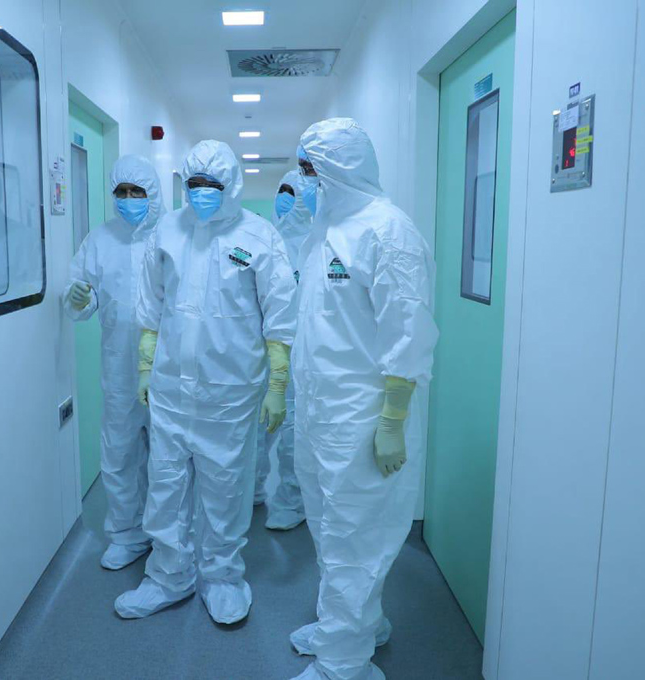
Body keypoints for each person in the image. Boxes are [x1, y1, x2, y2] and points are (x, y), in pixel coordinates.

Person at [114, 140, 296, 624]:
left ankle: (222, 578)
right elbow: (151, 308)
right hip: (172, 389)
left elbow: (280, 318)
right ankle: (167, 577)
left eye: (212, 184)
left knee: (225, 489)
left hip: (230, 393)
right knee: (165, 485)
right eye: (195, 183)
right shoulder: (167, 231)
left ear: (231, 185)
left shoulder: (259, 236)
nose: (202, 192)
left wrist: (278, 386)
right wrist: (146, 368)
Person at [289, 119, 439, 680]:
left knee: (354, 536)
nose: (304, 181)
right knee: (330, 527)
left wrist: (392, 419)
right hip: (322, 412)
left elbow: (408, 332)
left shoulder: (387, 231)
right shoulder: (326, 230)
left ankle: (343, 664)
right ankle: (354, 625)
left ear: (339, 168)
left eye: (311, 170)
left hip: (362, 416)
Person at [62, 155, 164, 571]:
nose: (128, 199)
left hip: (169, 366)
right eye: (121, 192)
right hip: (120, 365)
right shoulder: (100, 239)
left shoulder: (173, 234)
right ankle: (126, 534)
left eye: (137, 191)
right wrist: (76, 298)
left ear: (153, 193)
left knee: (169, 455)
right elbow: (80, 295)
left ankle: (170, 534)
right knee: (120, 451)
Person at [253, 170, 313, 530]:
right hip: (262, 354)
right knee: (256, 429)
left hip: (303, 357)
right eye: (283, 190)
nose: (285, 199)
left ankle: (292, 501)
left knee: (293, 433)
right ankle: (253, 489)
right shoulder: (263, 241)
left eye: (294, 192)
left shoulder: (317, 246)